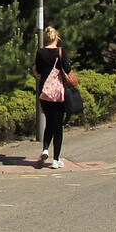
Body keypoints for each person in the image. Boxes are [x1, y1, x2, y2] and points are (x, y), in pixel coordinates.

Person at [35, 25, 75, 168]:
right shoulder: (61, 51)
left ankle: (45, 149)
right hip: (58, 93)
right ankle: (56, 159)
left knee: (49, 122)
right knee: (58, 126)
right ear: (57, 37)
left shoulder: (40, 52)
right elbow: (67, 69)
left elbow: (38, 70)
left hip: (44, 92)